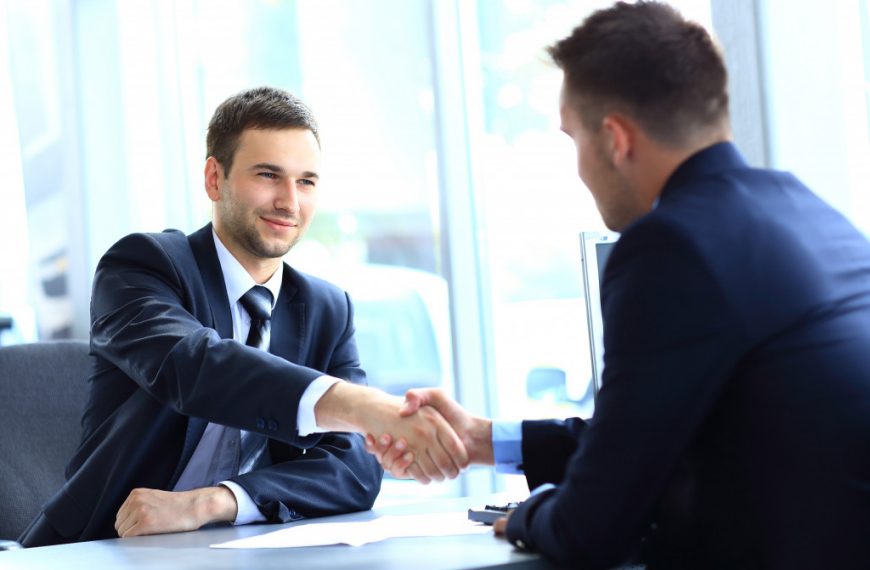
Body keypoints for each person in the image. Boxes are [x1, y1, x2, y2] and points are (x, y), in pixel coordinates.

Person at [368, 2, 870, 568]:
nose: (578, 166)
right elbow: (644, 437)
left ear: (615, 139)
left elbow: (591, 526)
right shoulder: (810, 213)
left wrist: (525, 516)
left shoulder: (670, 246)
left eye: (572, 137)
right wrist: (482, 439)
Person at [20, 86, 466, 547]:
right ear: (215, 178)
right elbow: (196, 367)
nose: (290, 202)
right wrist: (363, 407)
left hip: (236, 549)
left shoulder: (326, 308)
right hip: (105, 548)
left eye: (307, 181)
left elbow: (354, 467)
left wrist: (218, 501)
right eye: (269, 175)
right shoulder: (143, 265)